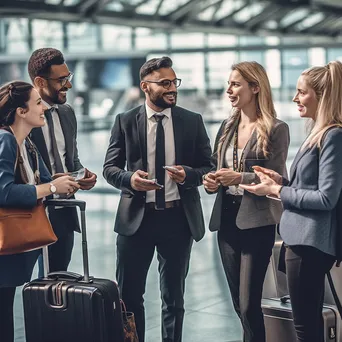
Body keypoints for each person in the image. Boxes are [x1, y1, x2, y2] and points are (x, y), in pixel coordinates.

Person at [103, 56, 212, 342]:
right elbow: (110, 168)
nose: (172, 88)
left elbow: (208, 167)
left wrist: (188, 174)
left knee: (174, 298)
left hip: (178, 220)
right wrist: (130, 180)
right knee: (129, 297)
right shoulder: (125, 121)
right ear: (145, 86)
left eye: (174, 82)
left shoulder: (192, 121)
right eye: (164, 83)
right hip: (135, 221)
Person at [240, 61, 342, 342]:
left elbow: (326, 198)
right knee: (306, 324)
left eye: (301, 92)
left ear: (321, 96)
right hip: (301, 241)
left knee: (305, 327)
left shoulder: (333, 136)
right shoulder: (318, 133)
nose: (295, 98)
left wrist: (276, 191)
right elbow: (311, 187)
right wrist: (282, 181)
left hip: (309, 244)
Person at [203, 61, 290, 342]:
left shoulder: (276, 129)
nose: (228, 89)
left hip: (258, 222)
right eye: (228, 84)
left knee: (249, 303)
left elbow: (274, 178)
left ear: (255, 87)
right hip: (227, 220)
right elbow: (217, 170)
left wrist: (237, 178)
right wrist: (211, 181)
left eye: (235, 84)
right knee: (238, 305)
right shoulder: (226, 127)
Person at [0, 81, 79, 342]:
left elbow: (46, 181)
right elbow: (4, 191)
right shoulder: (5, 140)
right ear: (21, 112)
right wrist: (52, 186)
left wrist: (66, 181)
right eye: (36, 104)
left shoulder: (28, 145)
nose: (42, 109)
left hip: (17, 246)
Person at [27, 48, 97, 273]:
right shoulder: (19, 117)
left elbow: (71, 160)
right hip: (29, 213)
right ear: (40, 81)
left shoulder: (67, 113)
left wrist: (81, 176)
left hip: (63, 212)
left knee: (56, 284)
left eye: (69, 77)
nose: (68, 85)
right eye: (61, 80)